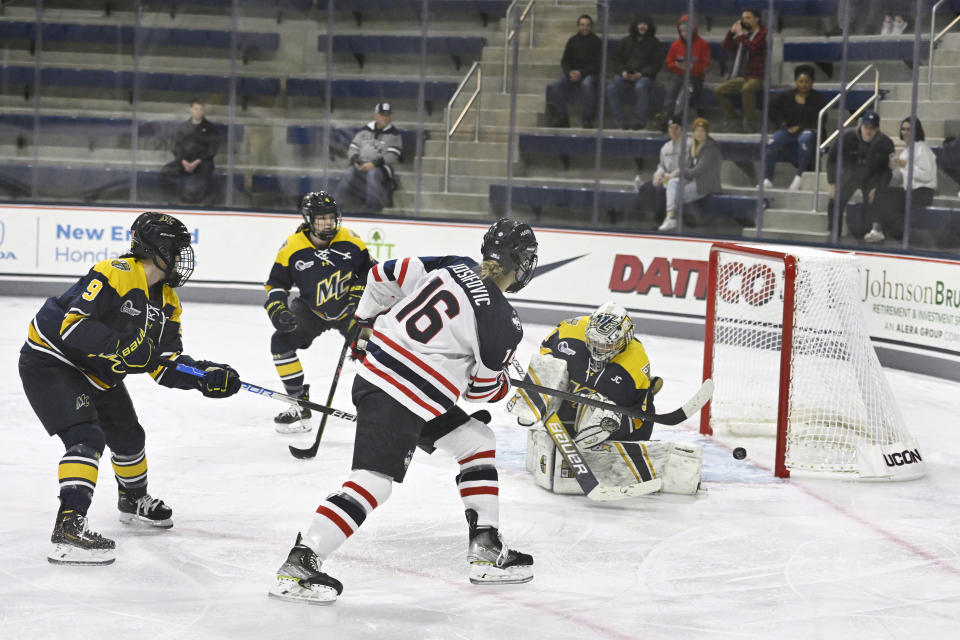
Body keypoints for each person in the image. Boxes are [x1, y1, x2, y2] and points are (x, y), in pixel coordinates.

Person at [268, 218, 539, 604]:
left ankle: (486, 547)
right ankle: (302, 562)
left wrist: (363, 320)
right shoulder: (504, 322)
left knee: (476, 441)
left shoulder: (453, 264)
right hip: (401, 395)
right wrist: (505, 385)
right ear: (523, 263)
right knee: (373, 482)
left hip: (386, 382)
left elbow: (382, 274)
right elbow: (481, 391)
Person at [18, 212, 241, 566]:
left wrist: (203, 376)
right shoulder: (116, 273)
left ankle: (133, 500)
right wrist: (122, 345)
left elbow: (164, 365)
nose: (182, 257)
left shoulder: (168, 302)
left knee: (129, 437)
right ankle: (68, 529)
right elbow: (72, 328)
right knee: (87, 437)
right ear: (154, 248)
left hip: (99, 372)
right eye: (176, 248)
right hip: (52, 361)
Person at [507, 303, 701, 497]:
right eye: (594, 341)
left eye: (607, 344)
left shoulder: (634, 362)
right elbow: (545, 350)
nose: (599, 348)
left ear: (623, 341)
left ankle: (587, 442)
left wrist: (609, 418)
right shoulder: (571, 329)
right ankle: (530, 404)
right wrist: (544, 382)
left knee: (600, 411)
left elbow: (639, 413)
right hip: (570, 408)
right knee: (547, 365)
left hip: (623, 422)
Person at [264, 191, 374, 433]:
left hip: (350, 312)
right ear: (308, 220)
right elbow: (276, 284)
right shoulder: (292, 247)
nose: (327, 223)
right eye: (321, 218)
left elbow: (372, 273)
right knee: (280, 343)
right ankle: (298, 403)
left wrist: (359, 293)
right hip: (311, 310)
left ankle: (379, 407)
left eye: (331, 217)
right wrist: (277, 307)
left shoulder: (352, 241)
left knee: (375, 352)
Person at [826, 110, 894, 241]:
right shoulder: (846, 137)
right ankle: (834, 233)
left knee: (876, 198)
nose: (868, 131)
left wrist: (878, 188)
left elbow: (887, 170)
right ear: (861, 126)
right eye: (866, 127)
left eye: (872, 128)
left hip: (872, 177)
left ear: (877, 129)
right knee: (835, 201)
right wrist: (832, 183)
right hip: (850, 175)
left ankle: (873, 232)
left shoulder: (885, 143)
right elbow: (832, 159)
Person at [870, 117, 937, 243]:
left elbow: (927, 176)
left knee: (885, 196)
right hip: (910, 192)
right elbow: (901, 177)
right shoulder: (906, 151)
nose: (905, 132)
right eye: (903, 129)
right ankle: (878, 230)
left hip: (922, 193)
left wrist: (905, 165)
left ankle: (880, 230)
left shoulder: (922, 149)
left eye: (909, 130)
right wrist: (892, 168)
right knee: (880, 193)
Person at [762, 65, 828, 191]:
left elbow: (821, 120)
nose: (803, 85)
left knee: (805, 139)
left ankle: (799, 177)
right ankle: (767, 179)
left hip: (810, 130)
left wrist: (800, 127)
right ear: (796, 82)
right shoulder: (787, 95)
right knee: (772, 142)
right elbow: (771, 107)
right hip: (789, 130)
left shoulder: (818, 99)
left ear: (812, 82)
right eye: (801, 81)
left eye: (807, 82)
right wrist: (782, 123)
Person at [334, 102, 403, 212]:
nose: (386, 118)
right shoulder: (364, 130)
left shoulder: (394, 134)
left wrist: (373, 164)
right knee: (349, 171)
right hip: (361, 164)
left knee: (373, 173)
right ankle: (336, 204)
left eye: (387, 115)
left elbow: (392, 156)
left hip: (382, 167)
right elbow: (353, 148)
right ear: (376, 115)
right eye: (382, 115)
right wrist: (355, 160)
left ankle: (372, 206)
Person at [658, 117, 722, 232]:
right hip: (694, 180)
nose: (699, 133)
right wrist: (675, 175)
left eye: (702, 130)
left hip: (706, 183)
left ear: (706, 132)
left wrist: (678, 173)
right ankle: (670, 217)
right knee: (672, 184)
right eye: (697, 130)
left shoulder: (710, 148)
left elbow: (698, 170)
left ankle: (689, 220)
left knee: (676, 194)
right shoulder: (694, 146)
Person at [545, 14, 602, 128]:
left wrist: (581, 73)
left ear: (591, 27)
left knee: (587, 84)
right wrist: (569, 72)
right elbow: (565, 60)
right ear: (578, 26)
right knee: (555, 86)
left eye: (587, 25)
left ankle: (587, 119)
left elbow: (597, 64)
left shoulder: (597, 42)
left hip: (589, 74)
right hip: (571, 73)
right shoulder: (572, 40)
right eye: (582, 25)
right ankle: (563, 117)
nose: (584, 27)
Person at [605, 15, 662, 130]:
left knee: (640, 86)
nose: (642, 26)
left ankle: (639, 121)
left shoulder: (655, 43)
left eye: (645, 24)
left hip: (644, 77)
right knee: (611, 88)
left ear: (649, 26)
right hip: (625, 75)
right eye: (640, 23)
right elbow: (616, 60)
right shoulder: (625, 41)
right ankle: (621, 121)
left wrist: (641, 74)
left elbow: (656, 65)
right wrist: (622, 72)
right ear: (635, 25)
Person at [714, 8, 766, 133]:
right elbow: (727, 47)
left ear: (756, 19)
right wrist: (731, 33)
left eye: (748, 18)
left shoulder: (763, 34)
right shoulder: (745, 35)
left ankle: (750, 122)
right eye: (743, 18)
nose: (744, 21)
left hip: (758, 76)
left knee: (747, 89)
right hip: (745, 75)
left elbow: (753, 48)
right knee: (719, 90)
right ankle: (732, 119)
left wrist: (741, 34)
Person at [161, 100, 221, 204]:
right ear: (191, 110)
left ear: (203, 111)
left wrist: (198, 161)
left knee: (204, 176)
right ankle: (174, 200)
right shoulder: (183, 127)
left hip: (203, 162)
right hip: (184, 161)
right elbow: (176, 146)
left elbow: (212, 148)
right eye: (196, 109)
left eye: (200, 109)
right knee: (166, 171)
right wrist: (183, 160)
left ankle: (202, 202)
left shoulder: (210, 128)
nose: (198, 111)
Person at [659, 14, 710, 125]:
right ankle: (666, 117)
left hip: (695, 78)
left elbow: (706, 65)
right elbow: (669, 62)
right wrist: (676, 65)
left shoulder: (702, 45)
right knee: (671, 91)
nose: (685, 34)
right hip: (678, 76)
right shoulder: (675, 45)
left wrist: (692, 67)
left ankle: (676, 118)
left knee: (685, 92)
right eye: (682, 31)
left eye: (687, 31)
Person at [635, 119, 684, 223]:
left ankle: (660, 221)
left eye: (676, 128)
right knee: (645, 188)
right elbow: (661, 165)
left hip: (681, 179)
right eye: (671, 128)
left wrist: (671, 176)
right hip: (666, 178)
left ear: (681, 129)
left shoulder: (688, 145)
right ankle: (650, 219)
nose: (673, 131)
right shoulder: (666, 147)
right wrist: (657, 175)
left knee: (661, 189)